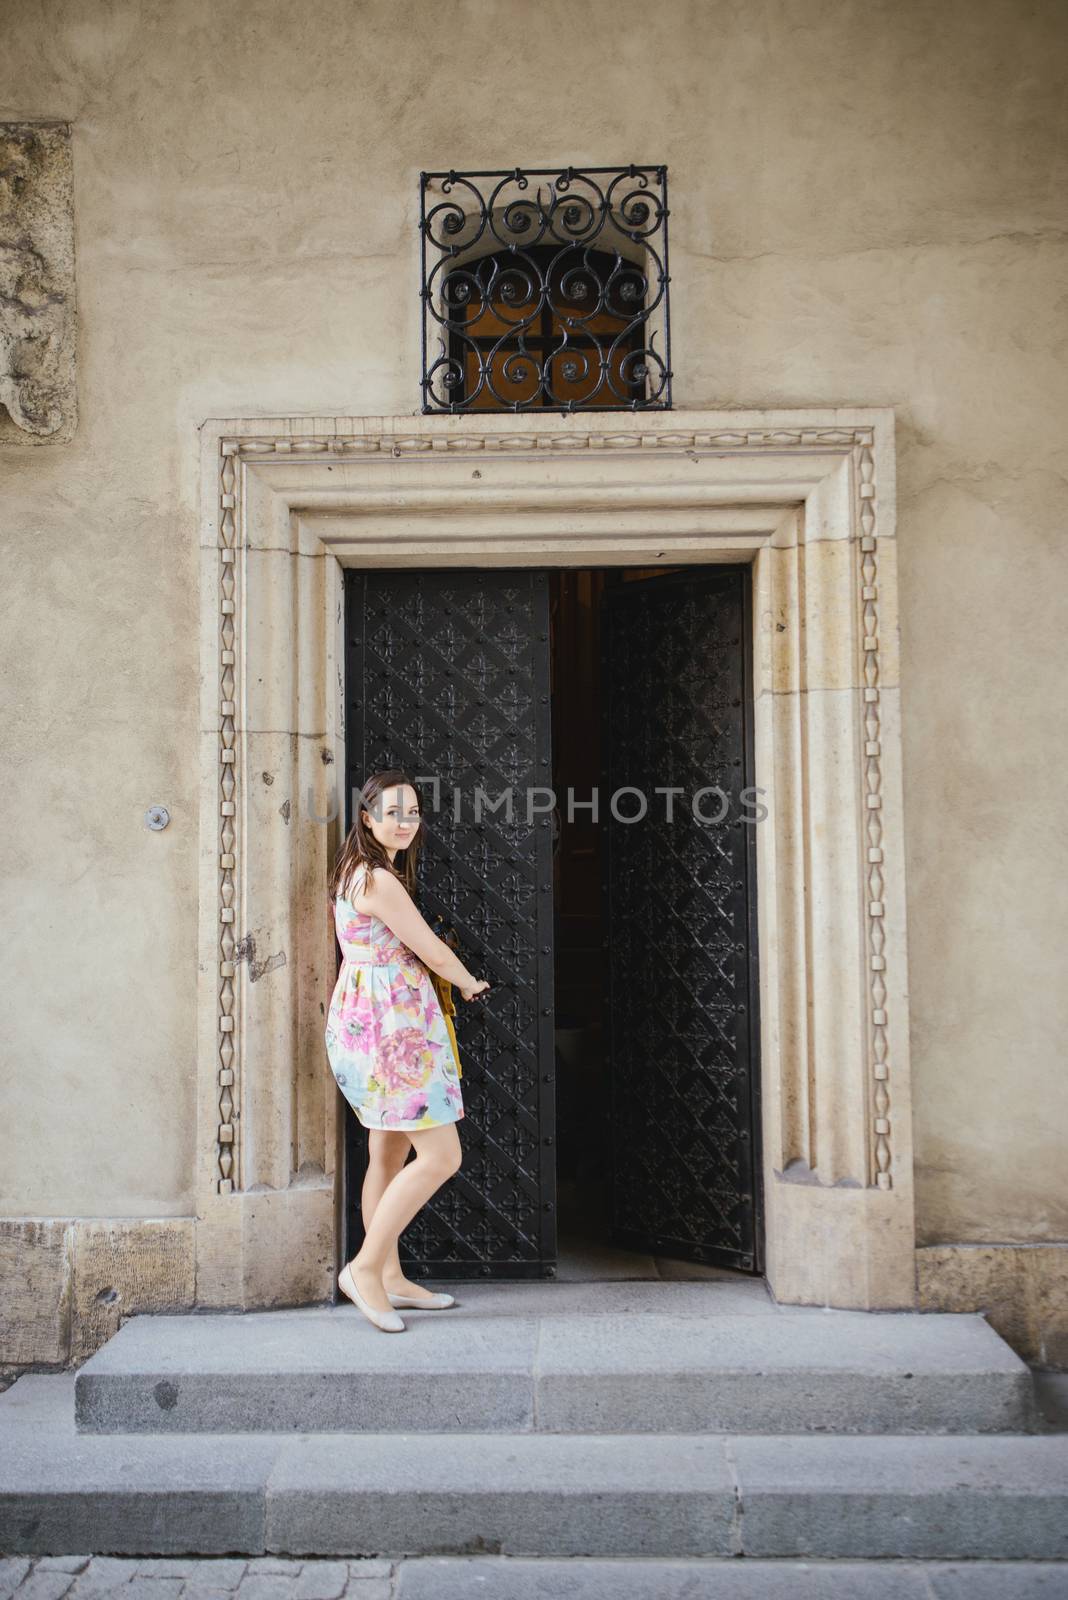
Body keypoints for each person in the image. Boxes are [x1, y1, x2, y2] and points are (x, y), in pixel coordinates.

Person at [325, 768, 490, 1332]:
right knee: (443, 1156)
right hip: (390, 1032)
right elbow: (431, 950)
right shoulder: (379, 879)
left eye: (413, 812)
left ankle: (391, 1277)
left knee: (388, 1154)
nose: (405, 822)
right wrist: (469, 982)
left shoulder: (354, 870)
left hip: (368, 1023)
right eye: (393, 812)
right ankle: (366, 1269)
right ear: (367, 818)